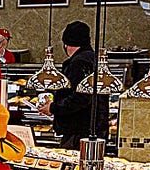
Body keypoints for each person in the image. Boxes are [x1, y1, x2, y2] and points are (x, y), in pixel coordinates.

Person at [39, 21, 105, 149]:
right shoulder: (93, 58)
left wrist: (53, 108)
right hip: (93, 129)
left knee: (73, 166)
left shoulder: (79, 62)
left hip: (78, 132)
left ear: (66, 44)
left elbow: (81, 98)